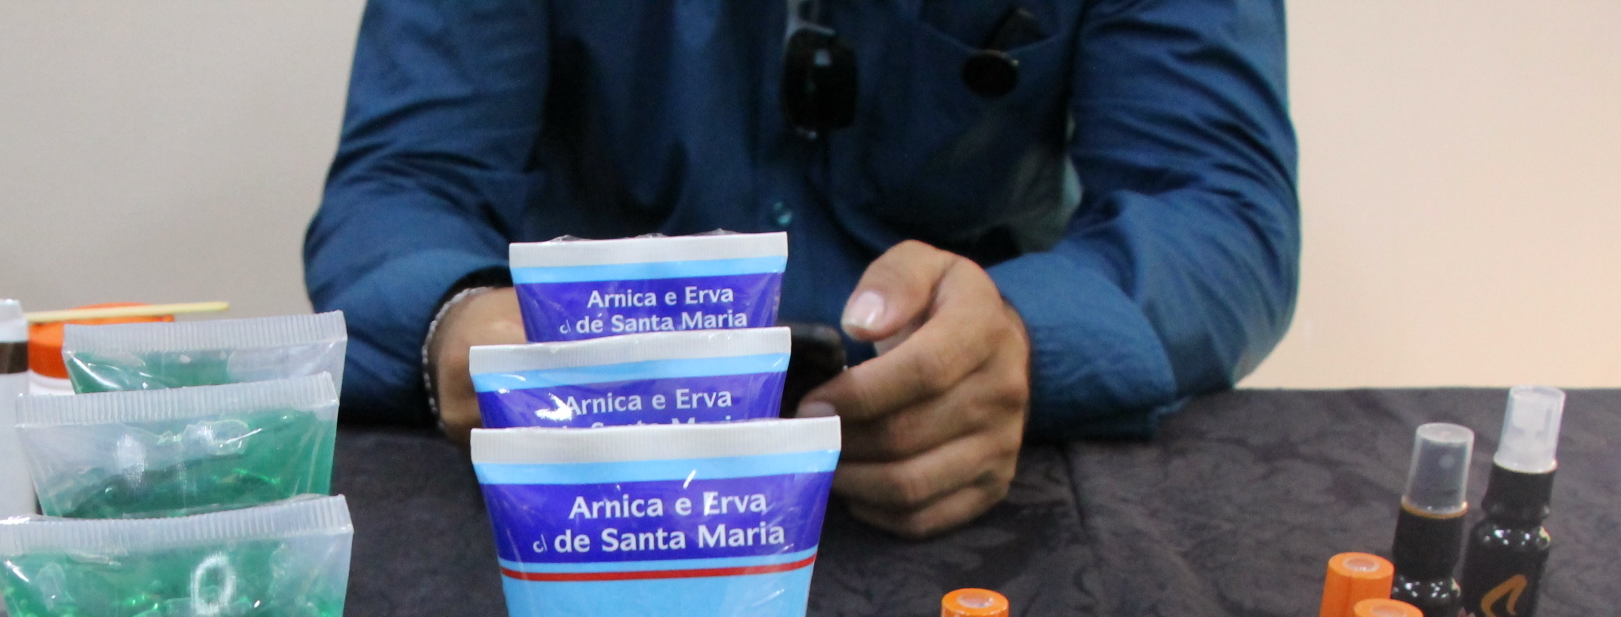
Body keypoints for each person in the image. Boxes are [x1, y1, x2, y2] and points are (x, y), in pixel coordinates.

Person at [304, 0, 1299, 538]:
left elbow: (1221, 210)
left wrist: (1022, 337)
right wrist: (460, 320)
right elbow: (399, 189)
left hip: (963, 496)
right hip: (579, 491)